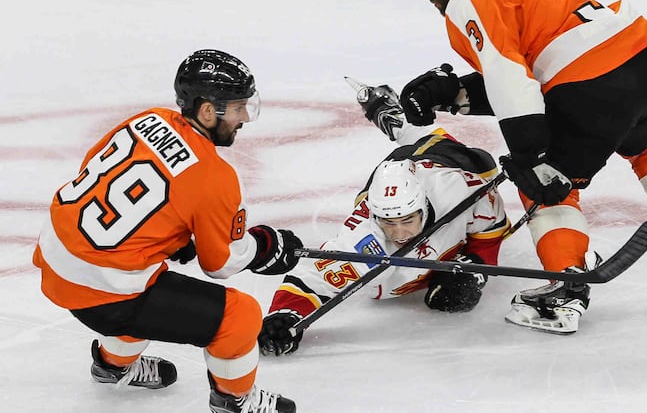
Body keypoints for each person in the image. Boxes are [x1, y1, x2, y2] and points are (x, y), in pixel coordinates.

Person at [398, 0, 647, 334]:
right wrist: (453, 94)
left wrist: (530, 155)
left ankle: (566, 290)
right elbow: (541, 65)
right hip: (644, 64)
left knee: (545, 184)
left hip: (591, 85)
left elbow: (509, 77)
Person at [32, 49, 301, 413]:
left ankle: (113, 367)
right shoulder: (215, 177)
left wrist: (169, 236)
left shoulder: (146, 119)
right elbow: (220, 263)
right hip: (103, 292)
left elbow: (92, 173)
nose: (244, 118)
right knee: (240, 316)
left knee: (149, 281)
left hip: (53, 256)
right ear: (208, 111)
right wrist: (266, 247)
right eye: (238, 108)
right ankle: (235, 400)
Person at [257, 81, 510, 356]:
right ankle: (394, 119)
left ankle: (392, 117)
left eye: (407, 220)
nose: (399, 233)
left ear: (424, 207)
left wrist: (476, 264)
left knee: (481, 162)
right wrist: (285, 316)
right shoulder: (364, 241)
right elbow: (311, 280)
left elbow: (491, 228)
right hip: (399, 175)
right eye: (389, 222)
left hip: (437, 161)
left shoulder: (461, 190)